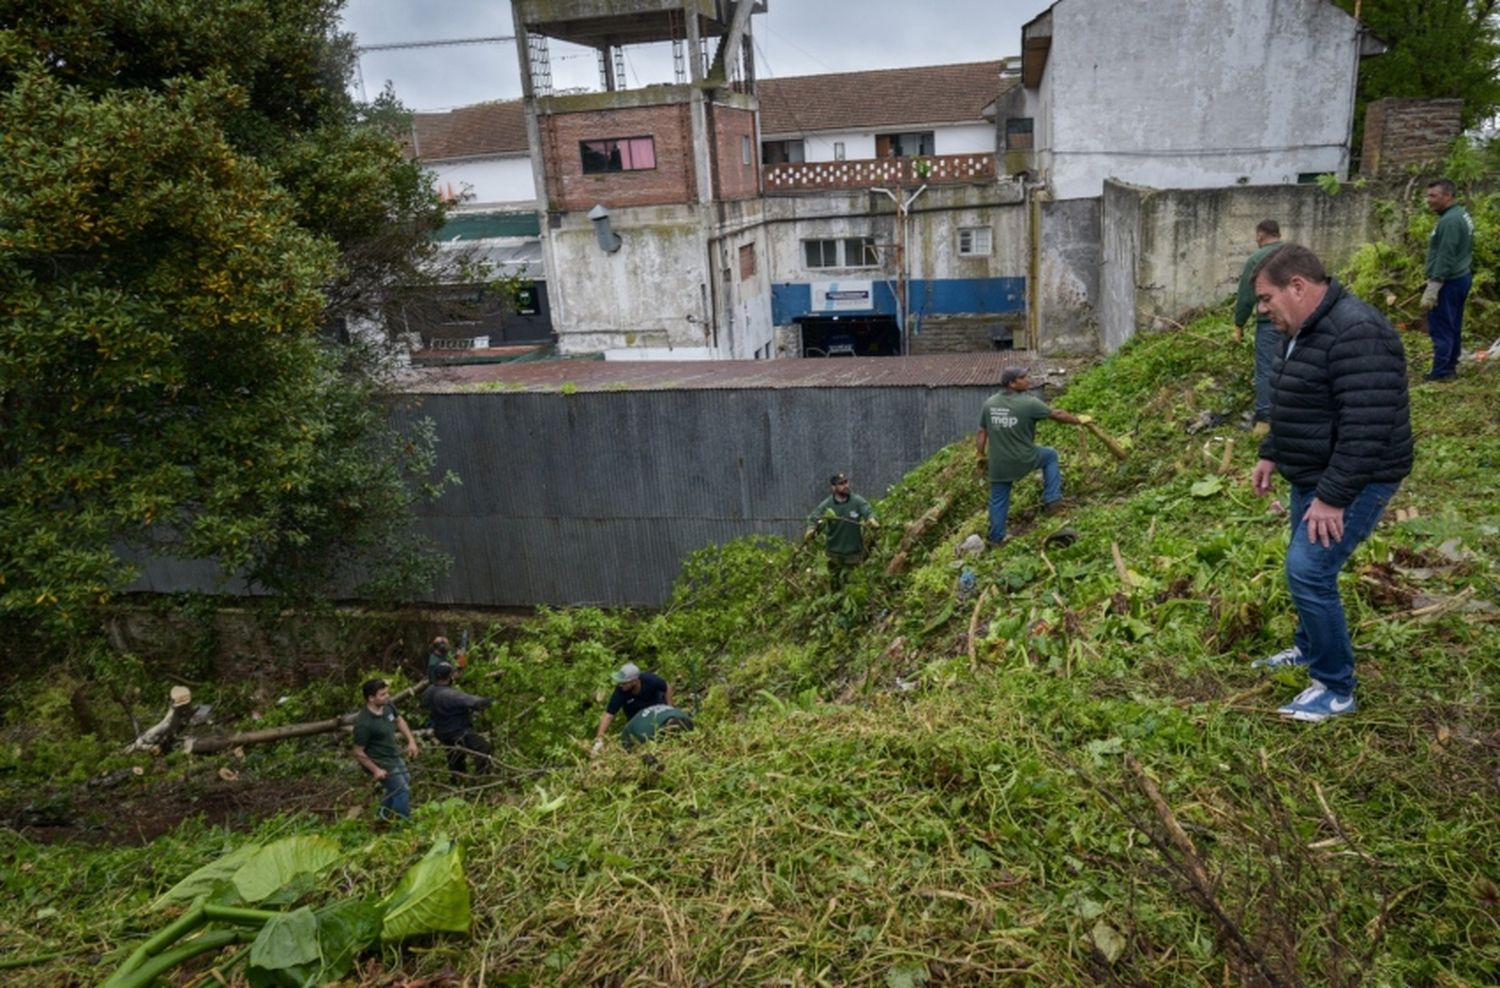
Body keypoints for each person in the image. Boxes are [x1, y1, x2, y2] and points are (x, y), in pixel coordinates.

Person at [1247, 244, 1412, 721]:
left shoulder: (1358, 332)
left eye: (1265, 298)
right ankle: (1310, 649)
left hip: (1356, 479)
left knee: (1309, 571)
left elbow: (1368, 425)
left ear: (1297, 287)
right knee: (1306, 570)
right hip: (1314, 474)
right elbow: (1297, 398)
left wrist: (1333, 498)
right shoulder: (1304, 329)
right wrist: (1272, 452)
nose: (1262, 310)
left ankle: (1336, 687)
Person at [976, 366, 1089, 547]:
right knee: (1050, 455)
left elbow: (982, 431)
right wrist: (1079, 420)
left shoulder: (990, 403)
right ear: (1012, 383)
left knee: (998, 498)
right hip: (1024, 458)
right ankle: (1052, 500)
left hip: (999, 463)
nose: (1028, 380)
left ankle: (996, 539)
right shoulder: (1029, 403)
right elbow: (1057, 415)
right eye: (1023, 377)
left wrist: (980, 455)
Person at [1233, 219, 1285, 432]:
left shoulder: (1257, 259)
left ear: (1260, 235)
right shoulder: (1294, 254)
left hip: (1270, 323)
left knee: (1266, 368)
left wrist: (1238, 324)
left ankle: (1264, 420)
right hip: (1298, 320)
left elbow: (1246, 296)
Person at [1420, 178, 1473, 381]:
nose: (1428, 200)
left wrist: (1434, 285)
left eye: (1433, 196)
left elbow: (1446, 255)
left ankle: (1441, 372)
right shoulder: (1459, 215)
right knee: (1452, 324)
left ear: (1448, 196)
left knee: (1441, 326)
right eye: (1428, 195)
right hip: (1460, 277)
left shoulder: (1450, 220)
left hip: (1449, 281)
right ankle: (1450, 366)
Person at [352, 679, 420, 819]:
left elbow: (399, 720)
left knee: (405, 780)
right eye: (382, 694)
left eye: (387, 693)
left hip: (392, 755)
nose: (387, 696)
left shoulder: (388, 705)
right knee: (402, 790)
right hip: (379, 761)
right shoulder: (364, 723)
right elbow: (358, 752)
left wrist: (411, 741)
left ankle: (382, 815)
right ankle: (403, 824)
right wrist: (376, 770)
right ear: (371, 698)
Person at [423, 662, 495, 780]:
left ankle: (457, 780)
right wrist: (491, 699)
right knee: (483, 748)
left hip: (441, 731)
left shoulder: (430, 691)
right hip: (458, 731)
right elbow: (475, 702)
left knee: (455, 755)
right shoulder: (450, 694)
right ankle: (481, 779)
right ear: (450, 676)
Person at [804, 473, 877, 585]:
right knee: (835, 585)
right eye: (841, 484)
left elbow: (867, 510)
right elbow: (814, 518)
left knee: (853, 585)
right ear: (833, 487)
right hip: (834, 555)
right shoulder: (827, 504)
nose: (845, 485)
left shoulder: (856, 501)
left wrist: (872, 519)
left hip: (853, 554)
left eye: (846, 482)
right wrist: (811, 530)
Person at [592, 662, 671, 754]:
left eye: (624, 683)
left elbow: (667, 687)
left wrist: (669, 707)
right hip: (637, 720)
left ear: (634, 681)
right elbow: (609, 715)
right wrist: (599, 738)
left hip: (656, 712)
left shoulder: (650, 680)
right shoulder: (620, 692)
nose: (621, 685)